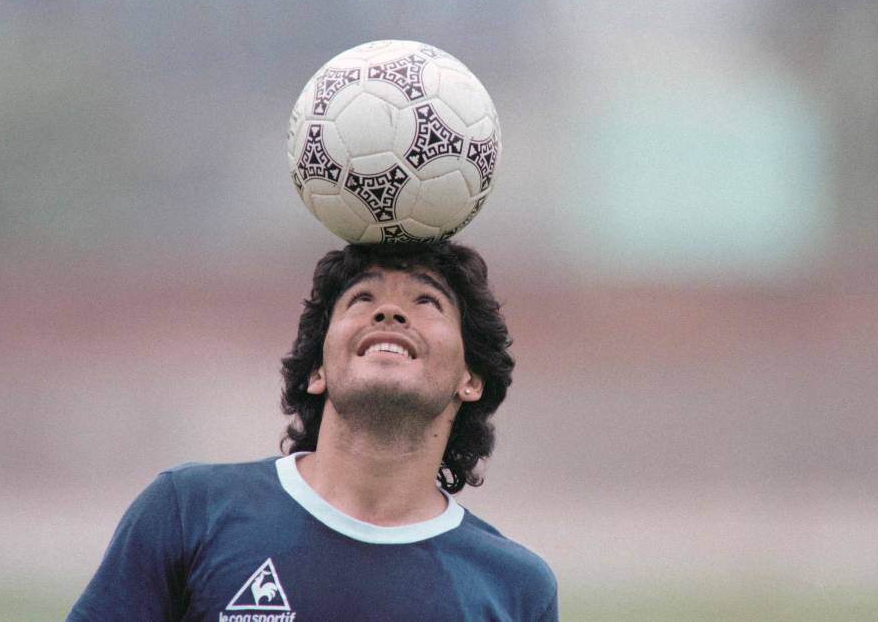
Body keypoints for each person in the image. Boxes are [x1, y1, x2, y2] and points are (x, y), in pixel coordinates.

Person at [68, 241, 558, 621]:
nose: (388, 312)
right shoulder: (188, 511)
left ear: (470, 379)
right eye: (362, 298)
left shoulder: (515, 588)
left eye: (426, 300)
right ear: (316, 370)